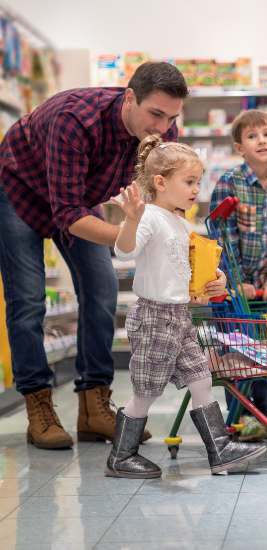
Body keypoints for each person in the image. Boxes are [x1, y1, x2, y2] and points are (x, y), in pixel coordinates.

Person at [0, 62, 226, 450]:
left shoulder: (162, 130)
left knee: (102, 291)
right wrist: (133, 236)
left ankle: (94, 406)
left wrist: (195, 261)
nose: (163, 126)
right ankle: (39, 404)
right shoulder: (73, 120)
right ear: (130, 98)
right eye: (155, 114)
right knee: (28, 301)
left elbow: (166, 204)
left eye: (171, 117)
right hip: (19, 190)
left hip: (81, 199)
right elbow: (67, 214)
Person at [106, 135, 265, 479]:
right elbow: (124, 251)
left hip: (180, 316)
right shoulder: (148, 216)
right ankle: (121, 455)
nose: (196, 189)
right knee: (146, 391)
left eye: (198, 182)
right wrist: (130, 220)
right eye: (189, 182)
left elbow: (191, 266)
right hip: (154, 317)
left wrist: (218, 277)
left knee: (201, 378)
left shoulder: (180, 221)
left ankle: (219, 448)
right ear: (161, 183)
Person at [210, 109, 267, 440]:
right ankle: (239, 416)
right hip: (235, 292)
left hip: (266, 290)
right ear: (239, 147)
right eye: (251, 136)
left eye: (266, 134)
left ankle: (265, 412)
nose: (261, 140)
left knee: (266, 350)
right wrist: (235, 283)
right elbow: (220, 237)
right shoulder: (229, 183)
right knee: (239, 353)